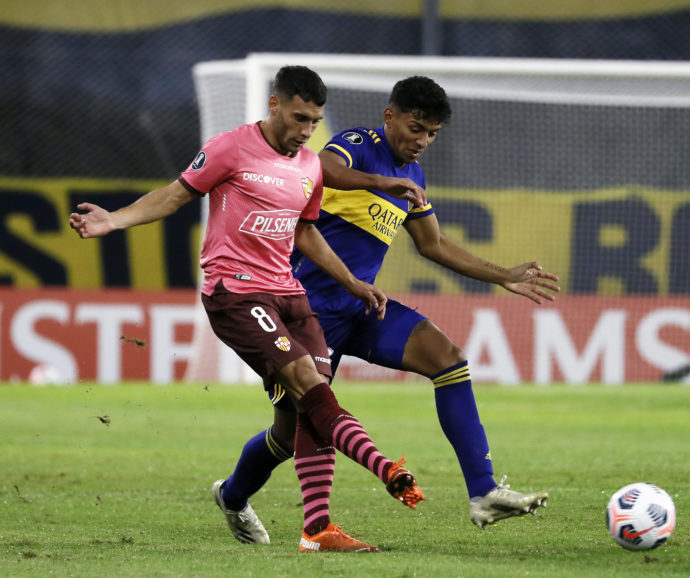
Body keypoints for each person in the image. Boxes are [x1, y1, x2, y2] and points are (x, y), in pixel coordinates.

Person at [69, 65, 423, 553]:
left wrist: (353, 283)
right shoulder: (229, 148)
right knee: (312, 388)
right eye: (299, 118)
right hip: (236, 293)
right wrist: (114, 221)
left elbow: (305, 230)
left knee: (303, 414)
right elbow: (173, 196)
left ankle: (250, 502)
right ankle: (357, 495)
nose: (306, 131)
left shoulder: (310, 166)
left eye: (314, 122)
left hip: (289, 293)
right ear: (275, 104)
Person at [221, 75, 560, 534]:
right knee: (289, 434)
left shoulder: (413, 176)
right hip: (304, 314)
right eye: (416, 128)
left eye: (431, 134)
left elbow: (433, 244)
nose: (422, 141)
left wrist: (503, 275)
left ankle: (483, 492)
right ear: (390, 116)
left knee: (448, 359)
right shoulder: (359, 145)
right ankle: (233, 496)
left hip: (361, 307)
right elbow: (320, 168)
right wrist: (383, 182)